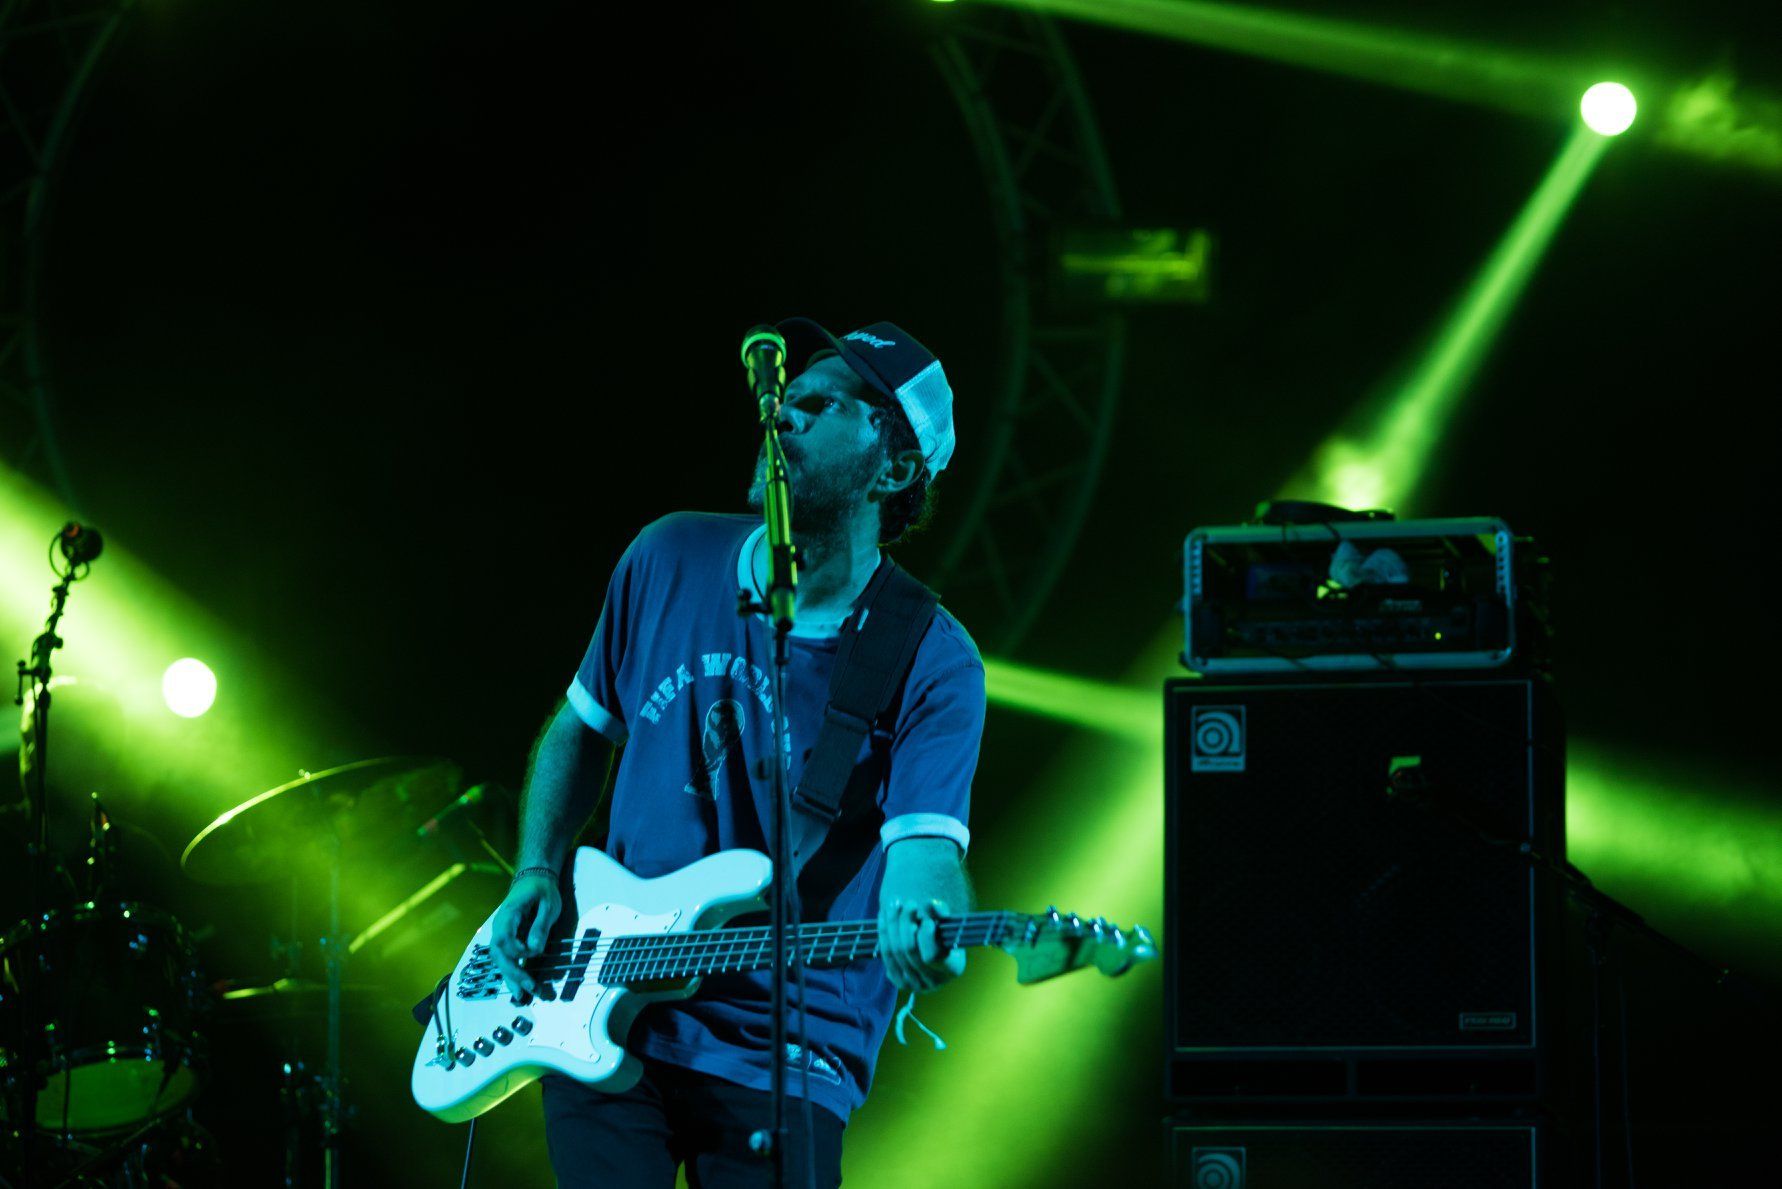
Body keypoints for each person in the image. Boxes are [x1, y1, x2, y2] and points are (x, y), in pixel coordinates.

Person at [487, 318, 986, 1188]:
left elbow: (925, 857)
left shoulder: (930, 656)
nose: (783, 415)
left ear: (895, 468)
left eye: (824, 406)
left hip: (787, 1046)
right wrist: (537, 865)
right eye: (788, 399)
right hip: (607, 1013)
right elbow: (579, 725)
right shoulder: (667, 554)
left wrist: (931, 923)